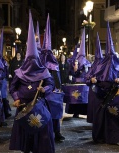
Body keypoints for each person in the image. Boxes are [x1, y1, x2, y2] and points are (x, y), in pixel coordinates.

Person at [9, 10, 58, 153]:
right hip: (23, 106)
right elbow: (13, 87)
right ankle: (26, 152)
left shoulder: (43, 72)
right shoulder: (19, 72)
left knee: (44, 128)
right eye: (28, 60)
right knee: (26, 130)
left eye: (33, 60)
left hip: (39, 105)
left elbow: (51, 84)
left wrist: (45, 89)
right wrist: (16, 98)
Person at [91, 22, 119, 145]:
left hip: (117, 97)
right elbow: (95, 80)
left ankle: (117, 138)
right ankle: (102, 137)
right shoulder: (101, 67)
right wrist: (94, 81)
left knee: (116, 117)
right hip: (102, 96)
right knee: (102, 118)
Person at [39, 13, 65, 142]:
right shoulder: (39, 64)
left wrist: (59, 88)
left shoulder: (54, 65)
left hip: (53, 93)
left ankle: (57, 132)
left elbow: (57, 77)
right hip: (43, 93)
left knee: (56, 114)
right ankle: (45, 133)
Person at [85, 33, 103, 123]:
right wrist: (91, 80)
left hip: (103, 91)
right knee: (94, 106)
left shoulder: (105, 67)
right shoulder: (92, 67)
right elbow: (87, 78)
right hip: (93, 91)